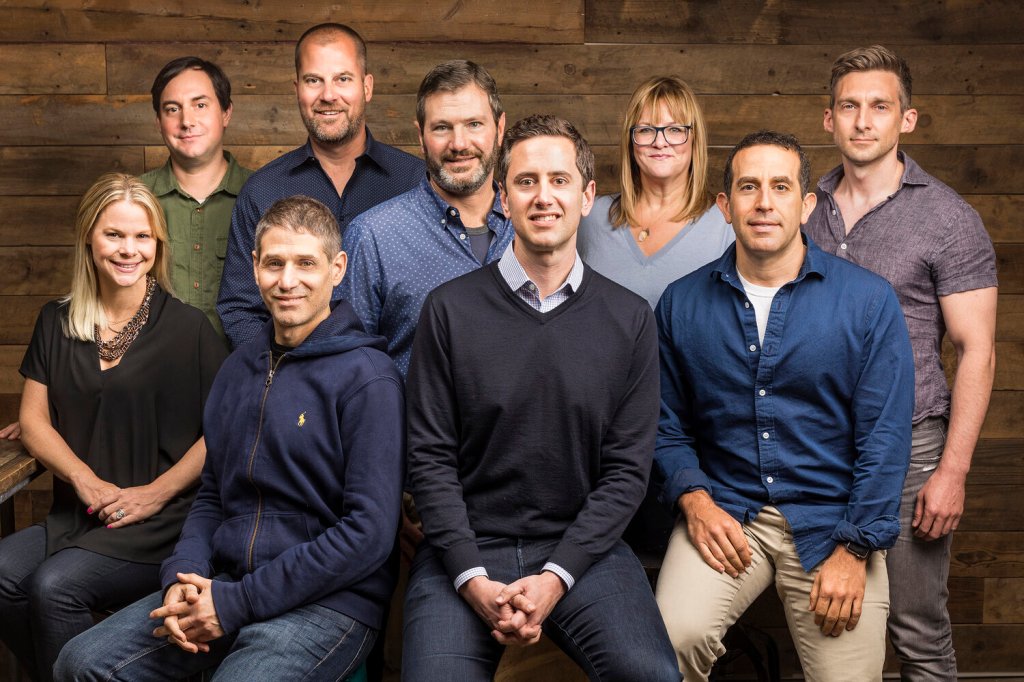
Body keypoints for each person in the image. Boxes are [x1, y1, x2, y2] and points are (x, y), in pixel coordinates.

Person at [56, 195, 405, 681]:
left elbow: (368, 534)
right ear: (255, 267)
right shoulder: (238, 368)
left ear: (337, 268)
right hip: (225, 583)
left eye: (306, 263)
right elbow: (213, 495)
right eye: (274, 263)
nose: (287, 281)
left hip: (329, 603)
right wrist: (182, 577)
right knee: (80, 663)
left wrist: (237, 602)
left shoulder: (369, 378)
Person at [403, 114, 679, 681]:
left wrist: (557, 577)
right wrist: (470, 577)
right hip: (466, 547)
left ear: (587, 196)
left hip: (584, 550)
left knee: (651, 675)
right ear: (503, 199)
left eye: (560, 180)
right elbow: (429, 460)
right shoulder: (448, 310)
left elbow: (627, 473)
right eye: (526, 181)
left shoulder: (629, 320)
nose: (543, 196)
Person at [654, 131, 914, 681]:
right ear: (725, 206)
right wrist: (694, 500)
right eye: (748, 187)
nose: (764, 203)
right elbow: (664, 424)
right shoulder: (681, 303)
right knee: (670, 642)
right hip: (727, 511)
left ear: (807, 204)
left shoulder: (867, 301)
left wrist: (855, 549)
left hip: (834, 520)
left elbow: (885, 437)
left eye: (780, 187)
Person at [804, 46, 998, 680]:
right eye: (849, 106)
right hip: (816, 450)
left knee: (917, 630)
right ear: (828, 118)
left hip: (912, 449)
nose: (863, 121)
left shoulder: (948, 219)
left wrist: (953, 471)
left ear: (906, 119)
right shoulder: (803, 208)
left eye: (879, 107)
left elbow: (977, 350)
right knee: (827, 621)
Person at [0, 173, 226, 682]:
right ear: (89, 239)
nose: (129, 249)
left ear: (158, 245)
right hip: (79, 514)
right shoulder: (56, 321)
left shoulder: (189, 329)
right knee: (3, 576)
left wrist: (155, 494)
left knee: (53, 587)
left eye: (142, 236)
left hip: (159, 522)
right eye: (114, 234)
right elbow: (33, 420)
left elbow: (222, 433)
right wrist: (83, 480)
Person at [217, 22, 424, 348]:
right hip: (289, 373)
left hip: (394, 374)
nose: (328, 95)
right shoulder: (262, 190)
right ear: (297, 88)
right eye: (314, 80)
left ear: (367, 87)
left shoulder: (415, 181)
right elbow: (239, 309)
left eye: (343, 79)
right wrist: (284, 371)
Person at [340, 59, 514, 377]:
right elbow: (347, 370)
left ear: (499, 128)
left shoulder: (533, 227)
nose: (459, 144)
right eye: (442, 127)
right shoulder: (372, 237)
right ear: (421, 136)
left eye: (474, 124)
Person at [578, 75, 733, 309]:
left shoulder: (726, 224)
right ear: (630, 140)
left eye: (675, 129)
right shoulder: (590, 216)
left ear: (695, 139)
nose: (660, 142)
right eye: (646, 130)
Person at [141, 56, 253, 339]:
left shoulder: (262, 195)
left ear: (226, 112)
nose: (187, 121)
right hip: (154, 363)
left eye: (200, 105)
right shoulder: (135, 199)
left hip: (243, 362)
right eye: (172, 109)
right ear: (158, 121)